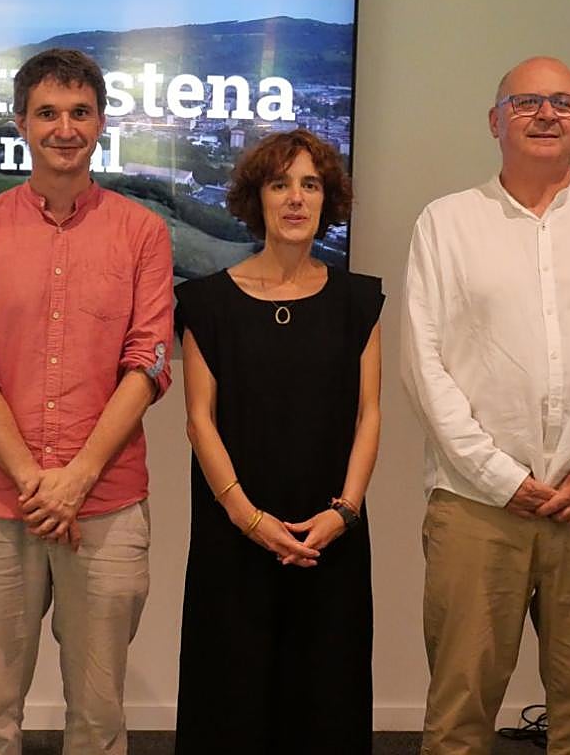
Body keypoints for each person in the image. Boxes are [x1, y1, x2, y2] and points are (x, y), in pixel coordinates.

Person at [0, 47, 173, 755]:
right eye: (47, 113)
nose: (64, 128)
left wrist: (75, 480)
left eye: (79, 112)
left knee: (99, 719)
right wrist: (38, 483)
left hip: (107, 503)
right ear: (21, 124)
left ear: (100, 123)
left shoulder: (143, 233)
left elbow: (149, 364)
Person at [402, 56, 570, 755]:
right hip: (477, 508)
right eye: (527, 101)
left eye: (564, 102)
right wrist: (499, 477)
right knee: (459, 722)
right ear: (495, 120)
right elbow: (424, 363)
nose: (547, 114)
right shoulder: (446, 223)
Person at [173, 128, 383, 753]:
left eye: (310, 185)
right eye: (280, 184)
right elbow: (198, 421)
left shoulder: (358, 300)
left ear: (328, 200)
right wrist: (247, 517)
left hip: (331, 535)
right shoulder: (207, 302)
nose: (296, 198)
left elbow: (370, 414)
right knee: (230, 696)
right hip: (233, 534)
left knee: (326, 697)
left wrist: (344, 512)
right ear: (255, 199)